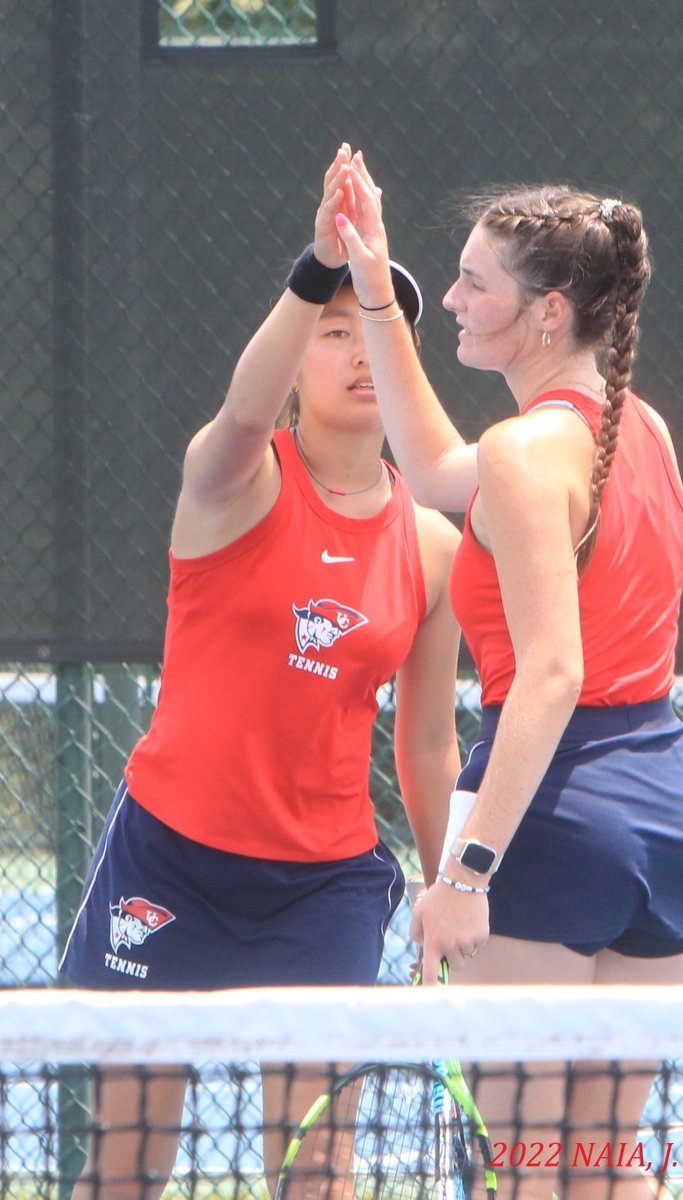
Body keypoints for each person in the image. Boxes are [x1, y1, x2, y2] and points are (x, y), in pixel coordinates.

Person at [58, 143, 462, 1199]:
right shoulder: (230, 481)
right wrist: (317, 262)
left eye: (376, 329)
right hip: (170, 857)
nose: (360, 351)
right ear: (294, 355)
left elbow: (425, 741)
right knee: (127, 1159)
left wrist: (443, 886)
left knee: (318, 1165)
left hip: (323, 884)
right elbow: (239, 417)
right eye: (333, 332)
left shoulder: (431, 546)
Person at [336, 151, 683, 1200]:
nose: (450, 300)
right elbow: (428, 467)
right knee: (600, 1166)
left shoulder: (523, 457)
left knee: (530, 1174)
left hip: (553, 820)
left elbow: (552, 676)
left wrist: (462, 874)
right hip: (669, 825)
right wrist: (375, 284)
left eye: (472, 285)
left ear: (545, 313)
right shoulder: (638, 432)